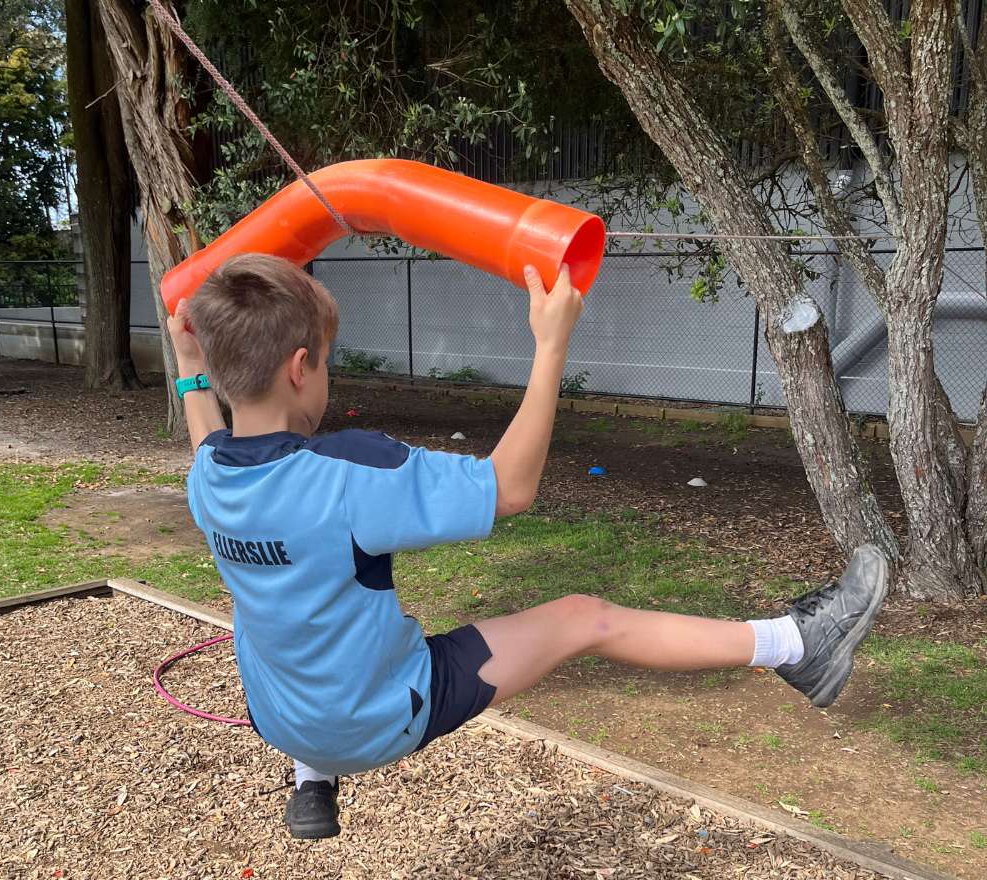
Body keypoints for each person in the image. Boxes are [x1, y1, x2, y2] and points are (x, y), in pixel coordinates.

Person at [167, 253, 888, 841]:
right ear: (300, 369)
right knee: (583, 616)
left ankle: (311, 779)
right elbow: (508, 488)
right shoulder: (349, 472)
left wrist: (189, 362)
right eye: (325, 362)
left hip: (280, 718)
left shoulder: (212, 478)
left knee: (285, 609)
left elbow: (210, 431)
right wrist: (551, 346)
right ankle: (797, 645)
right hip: (378, 717)